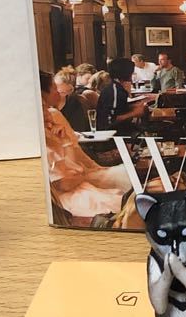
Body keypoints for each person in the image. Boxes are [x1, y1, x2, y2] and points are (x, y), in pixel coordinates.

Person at [42, 71, 132, 220]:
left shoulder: (55, 115)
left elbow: (78, 156)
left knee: (124, 189)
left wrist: (96, 169)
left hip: (78, 179)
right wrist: (83, 173)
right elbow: (64, 183)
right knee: (118, 203)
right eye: (54, 88)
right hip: (68, 193)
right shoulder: (41, 133)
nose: (58, 92)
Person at [98, 56, 150, 131]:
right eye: (131, 73)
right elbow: (110, 121)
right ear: (126, 74)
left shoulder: (118, 87)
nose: (132, 75)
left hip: (122, 129)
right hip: (114, 134)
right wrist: (135, 113)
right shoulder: (114, 91)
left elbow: (118, 109)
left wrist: (133, 106)